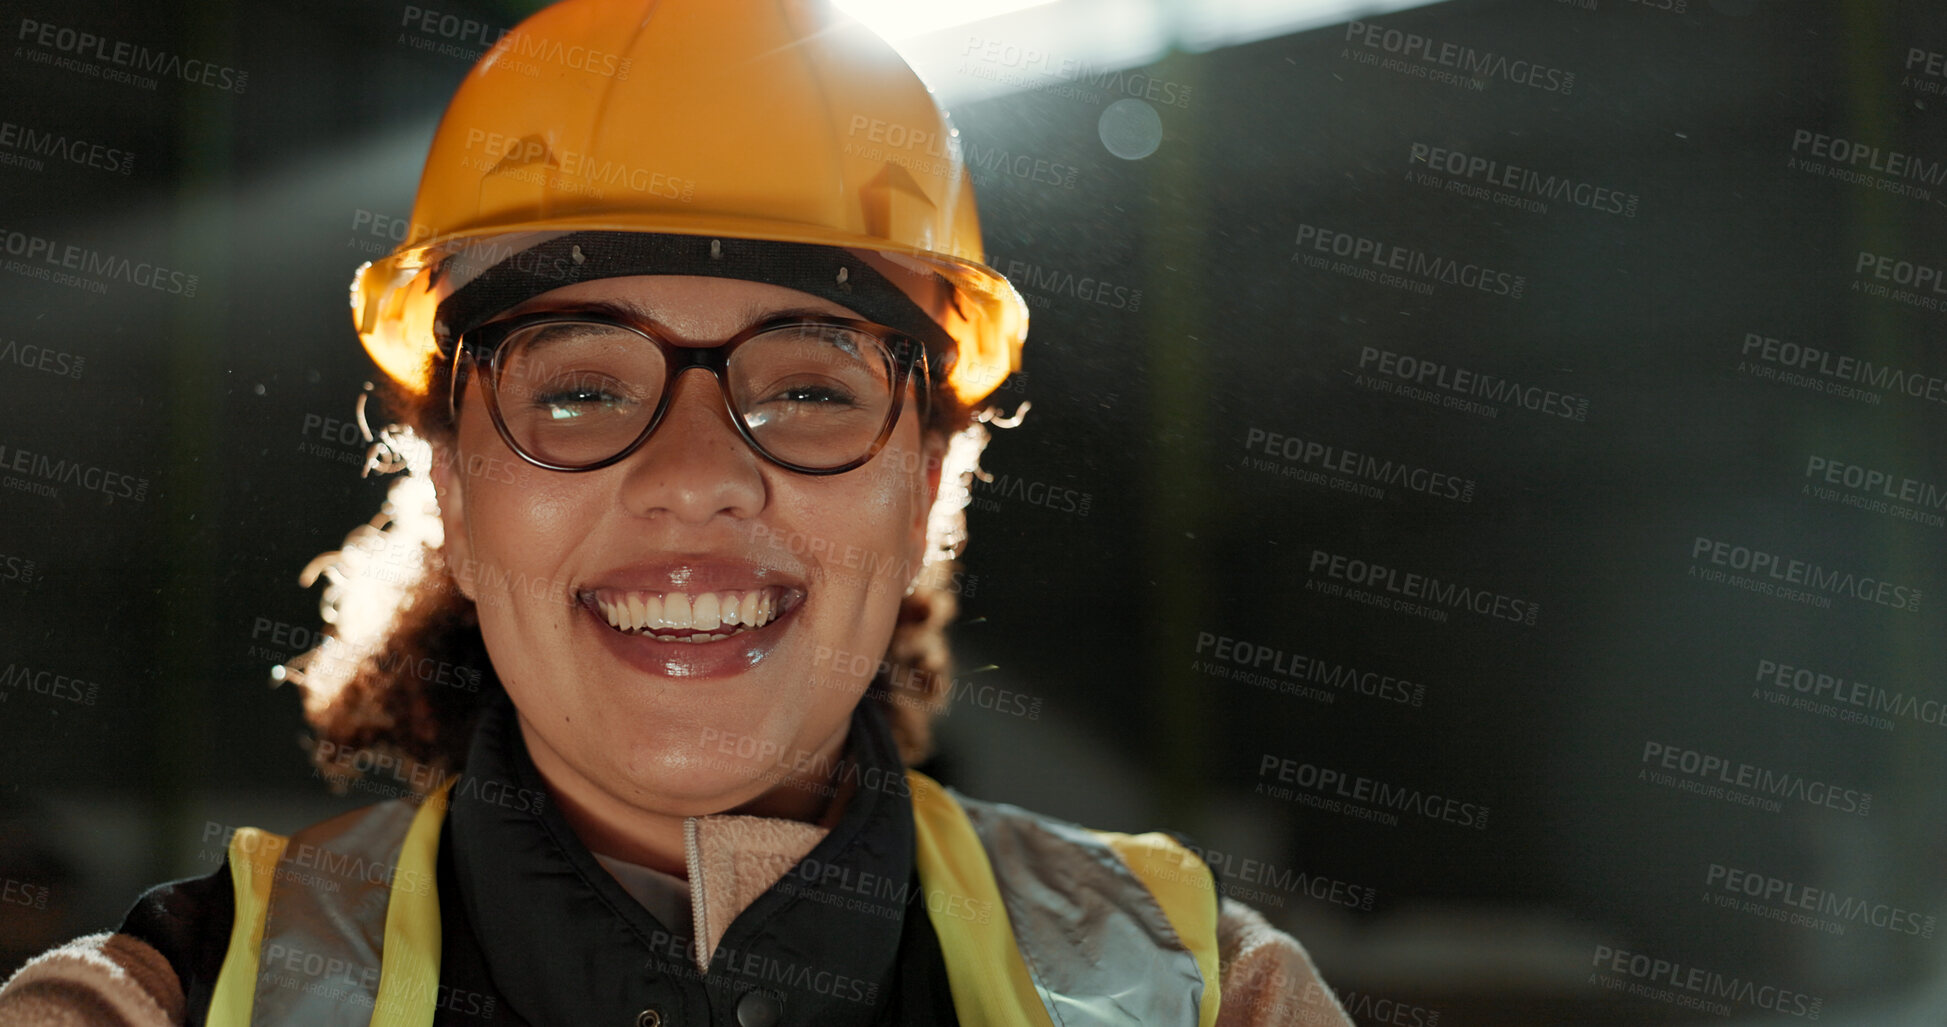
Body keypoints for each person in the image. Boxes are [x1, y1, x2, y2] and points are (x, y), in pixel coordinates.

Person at [0, 1, 1352, 1023]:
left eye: (812, 387)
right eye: (580, 388)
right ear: (458, 492)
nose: (693, 471)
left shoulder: (1207, 994)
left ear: (928, 483)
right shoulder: (163, 1005)